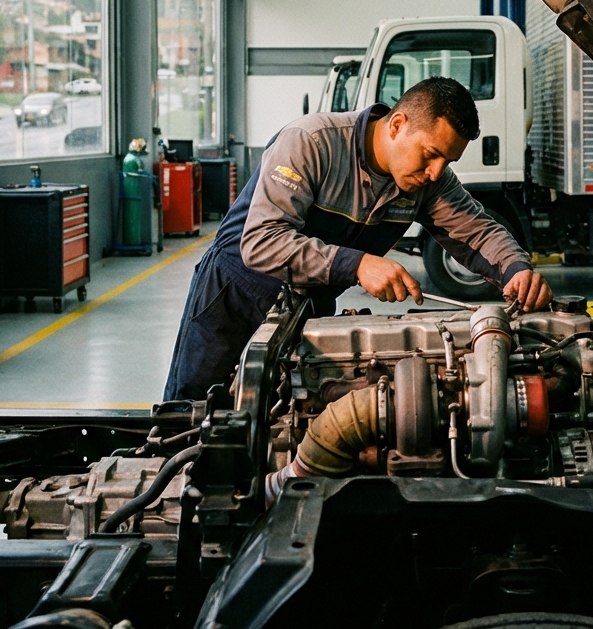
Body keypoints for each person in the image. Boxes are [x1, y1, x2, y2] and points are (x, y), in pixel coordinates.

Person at [163, 76, 552, 401]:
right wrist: (359, 264)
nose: (436, 172)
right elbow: (262, 242)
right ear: (397, 125)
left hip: (307, 303)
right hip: (234, 293)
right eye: (431, 154)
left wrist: (515, 269)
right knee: (193, 409)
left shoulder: (428, 183)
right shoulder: (311, 142)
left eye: (447, 162)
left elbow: (476, 229)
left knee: (285, 410)